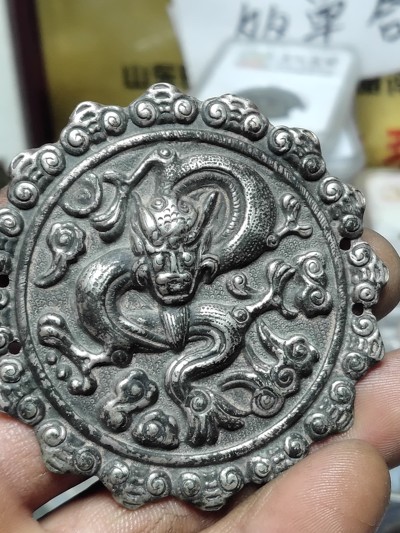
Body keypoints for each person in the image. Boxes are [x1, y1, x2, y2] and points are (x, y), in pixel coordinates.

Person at [0, 174, 399, 533]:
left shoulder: (209, 301)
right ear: (141, 255)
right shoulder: (116, 287)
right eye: (162, 261)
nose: (174, 273)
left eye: (185, 260)